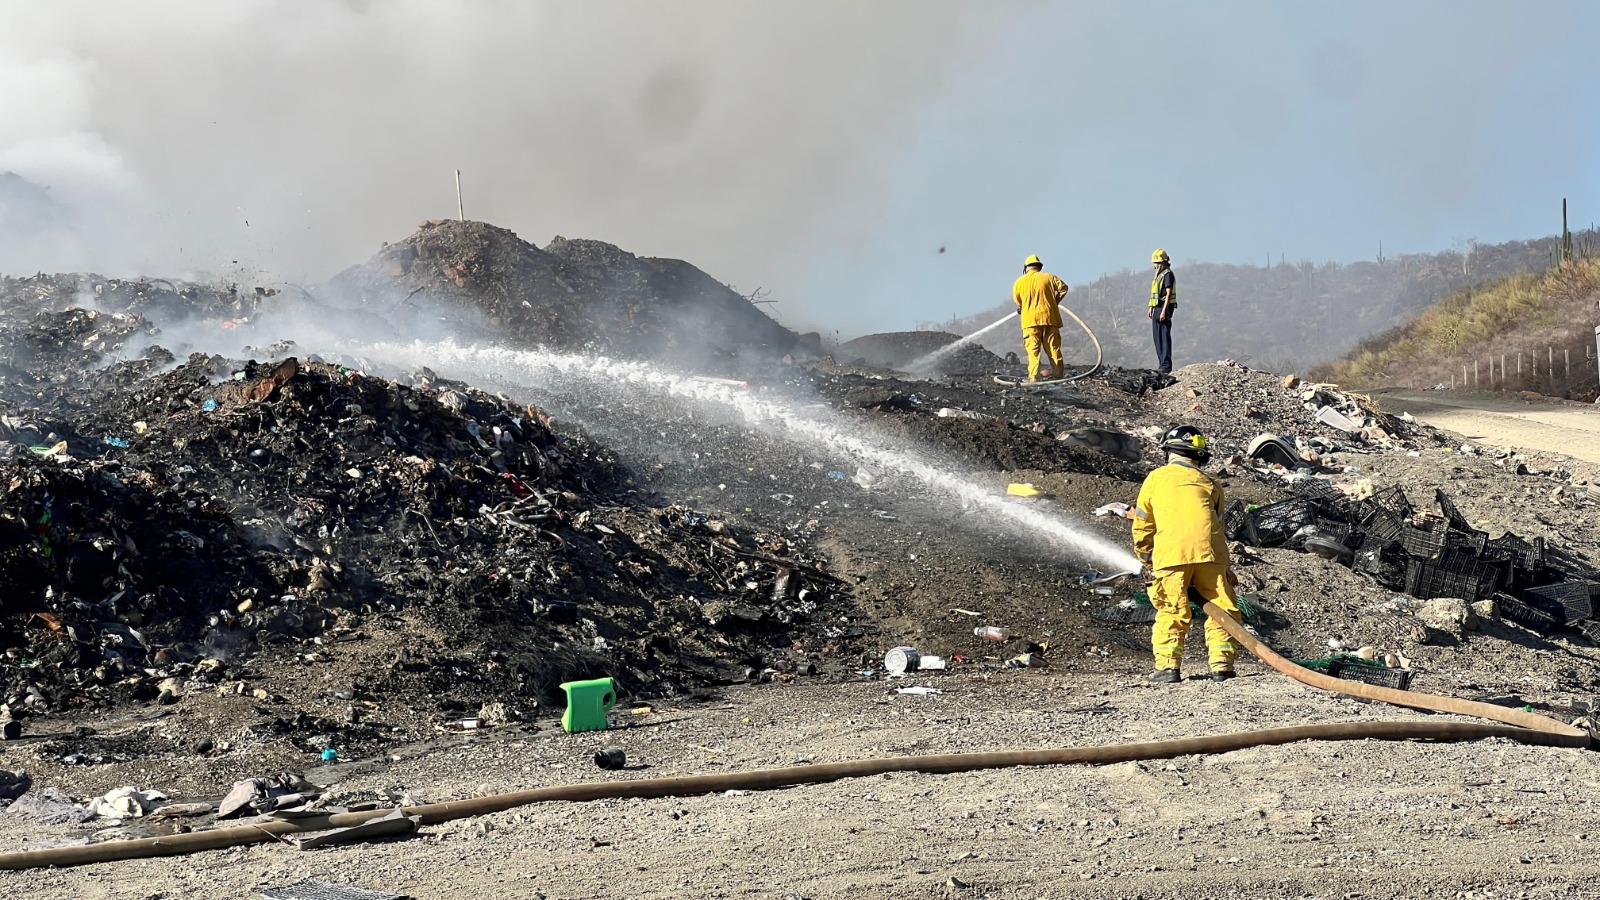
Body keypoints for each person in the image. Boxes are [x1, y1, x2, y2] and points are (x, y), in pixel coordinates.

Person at [1130, 425, 1243, 683]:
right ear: (1199, 455)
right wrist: (1225, 567)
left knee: (1172, 608)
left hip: (1170, 554)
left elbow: (1143, 523)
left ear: (1168, 451)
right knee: (1222, 607)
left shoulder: (1156, 479)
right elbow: (1219, 526)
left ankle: (1169, 667)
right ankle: (1222, 666)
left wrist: (1145, 557)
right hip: (1209, 554)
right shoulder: (1211, 482)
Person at [1012, 254, 1069, 381]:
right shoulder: (1049, 277)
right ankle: (1058, 376)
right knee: (1053, 348)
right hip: (1050, 317)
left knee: (1033, 350)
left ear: (1026, 267)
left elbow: (1017, 300)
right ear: (1039, 267)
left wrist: (1024, 305)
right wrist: (1055, 301)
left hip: (1030, 321)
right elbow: (1064, 288)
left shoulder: (1019, 282)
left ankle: (1033, 378)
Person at [1148, 248, 1176, 373]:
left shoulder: (1168, 275)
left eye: (1156, 263)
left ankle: (1166, 365)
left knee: (1164, 336)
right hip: (1157, 308)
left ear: (1162, 263)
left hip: (1164, 308)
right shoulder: (1158, 276)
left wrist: (1164, 311)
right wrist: (1151, 307)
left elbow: (1168, 294)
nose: (1154, 266)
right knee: (1157, 337)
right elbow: (1155, 293)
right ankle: (1161, 364)